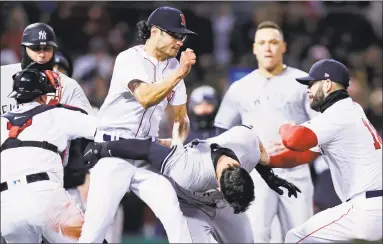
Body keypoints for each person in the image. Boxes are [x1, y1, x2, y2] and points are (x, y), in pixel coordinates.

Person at [79, 6, 198, 243]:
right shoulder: (129, 58)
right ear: (155, 32)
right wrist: (180, 73)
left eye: (182, 36)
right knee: (95, 230)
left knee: (174, 215)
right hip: (112, 153)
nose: (180, 42)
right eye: (175, 35)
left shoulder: (174, 66)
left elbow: (180, 118)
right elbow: (145, 97)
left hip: (145, 155)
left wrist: (176, 141)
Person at [83, 124, 302, 243]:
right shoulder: (187, 169)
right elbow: (147, 149)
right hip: (190, 207)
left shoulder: (246, 146)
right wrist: (103, 149)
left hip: (223, 206)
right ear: (218, 186)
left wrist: (270, 177)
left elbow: (258, 153)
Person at [214, 21, 317, 242]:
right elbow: (221, 129)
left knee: (301, 235)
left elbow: (322, 125)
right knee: (256, 234)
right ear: (254, 48)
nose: (267, 47)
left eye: (273, 42)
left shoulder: (303, 81)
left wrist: (302, 144)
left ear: (284, 47)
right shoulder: (240, 87)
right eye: (262, 43)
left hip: (295, 169)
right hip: (256, 172)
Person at [265, 59, 382, 243]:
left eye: (312, 83)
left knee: (295, 237)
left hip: (364, 209)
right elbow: (305, 154)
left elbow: (293, 139)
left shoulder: (338, 113)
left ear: (327, 84)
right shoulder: (350, 110)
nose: (308, 90)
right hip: (373, 206)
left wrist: (285, 126)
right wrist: (269, 161)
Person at [0, 69, 96, 243]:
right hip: (45, 198)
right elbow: (102, 129)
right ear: (43, 96)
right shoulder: (55, 113)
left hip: (6, 207)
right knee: (92, 240)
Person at [52, 51, 124, 243]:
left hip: (73, 189)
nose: (57, 75)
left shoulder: (85, 111)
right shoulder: (26, 109)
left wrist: (91, 177)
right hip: (41, 190)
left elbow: (101, 150)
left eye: (62, 71)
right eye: (53, 70)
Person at [1, 22, 92, 115]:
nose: (42, 54)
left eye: (47, 48)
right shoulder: (3, 76)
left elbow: (87, 124)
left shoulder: (68, 86)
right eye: (35, 48)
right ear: (24, 49)